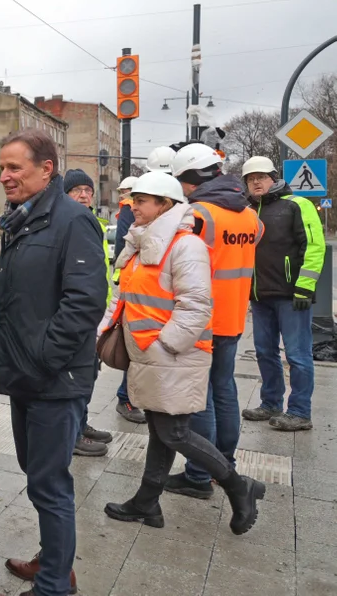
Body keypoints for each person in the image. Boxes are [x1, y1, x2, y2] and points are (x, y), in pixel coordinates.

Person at [100, 172, 266, 534]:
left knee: (174, 432)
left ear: (165, 205)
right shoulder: (141, 241)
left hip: (171, 352)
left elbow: (195, 306)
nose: (133, 207)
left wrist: (164, 345)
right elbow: (127, 293)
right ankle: (146, 503)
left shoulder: (185, 245)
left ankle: (240, 487)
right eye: (133, 200)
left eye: (142, 200)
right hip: (149, 352)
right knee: (162, 432)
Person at [0, 130, 106, 596]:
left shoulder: (73, 220)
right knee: (36, 473)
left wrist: (43, 359)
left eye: (15, 168)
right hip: (28, 375)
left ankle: (55, 584)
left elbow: (84, 303)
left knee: (50, 483)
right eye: (2, 167)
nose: (5, 176)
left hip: (54, 378)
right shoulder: (21, 220)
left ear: (46, 169)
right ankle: (54, 562)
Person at [163, 143, 262, 500]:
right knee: (225, 390)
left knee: (199, 398)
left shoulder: (200, 214)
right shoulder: (249, 214)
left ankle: (199, 474)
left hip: (201, 321)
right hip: (234, 317)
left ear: (190, 179)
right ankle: (226, 465)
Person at [240, 155, 322, 432]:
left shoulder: (298, 205)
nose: (256, 183)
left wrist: (304, 288)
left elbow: (313, 246)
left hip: (292, 296)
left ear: (273, 178)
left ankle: (300, 412)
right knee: (265, 352)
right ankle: (271, 403)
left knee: (297, 355)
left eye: (260, 177)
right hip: (260, 296)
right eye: (251, 179)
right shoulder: (247, 211)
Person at [62, 169, 113, 459]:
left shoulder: (94, 222)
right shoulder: (69, 222)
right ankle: (73, 433)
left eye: (88, 190)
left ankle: (81, 422)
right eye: (77, 190)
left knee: (89, 373)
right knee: (77, 376)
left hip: (96, 313)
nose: (84, 195)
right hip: (79, 314)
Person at [113, 174, 146, 426]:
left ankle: (131, 396)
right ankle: (126, 398)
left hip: (136, 283)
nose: (124, 197)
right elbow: (128, 245)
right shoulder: (128, 210)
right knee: (134, 344)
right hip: (131, 284)